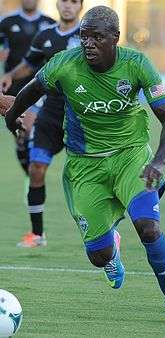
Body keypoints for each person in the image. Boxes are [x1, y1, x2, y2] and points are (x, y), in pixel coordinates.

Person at [1, 5, 165, 326]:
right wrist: (10, 118)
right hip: (85, 168)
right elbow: (30, 92)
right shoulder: (65, 65)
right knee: (97, 255)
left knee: (148, 227)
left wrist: (158, 161)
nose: (88, 44)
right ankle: (111, 252)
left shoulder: (137, 65)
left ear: (115, 39)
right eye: (84, 37)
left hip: (131, 157)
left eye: (97, 38)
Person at [0, 0, 83, 248]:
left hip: (81, 112)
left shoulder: (88, 35)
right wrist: (9, 76)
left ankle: (103, 230)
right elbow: (30, 64)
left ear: (80, 6)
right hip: (51, 109)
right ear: (58, 4)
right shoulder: (45, 34)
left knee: (84, 176)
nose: (68, 6)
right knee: (37, 167)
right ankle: (37, 234)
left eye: (74, 2)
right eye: (64, 1)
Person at [0, 0, 55, 175]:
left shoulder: (49, 23)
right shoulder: (6, 22)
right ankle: (29, 172)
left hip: (39, 88)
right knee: (21, 137)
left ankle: (34, 172)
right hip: (13, 87)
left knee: (32, 130)